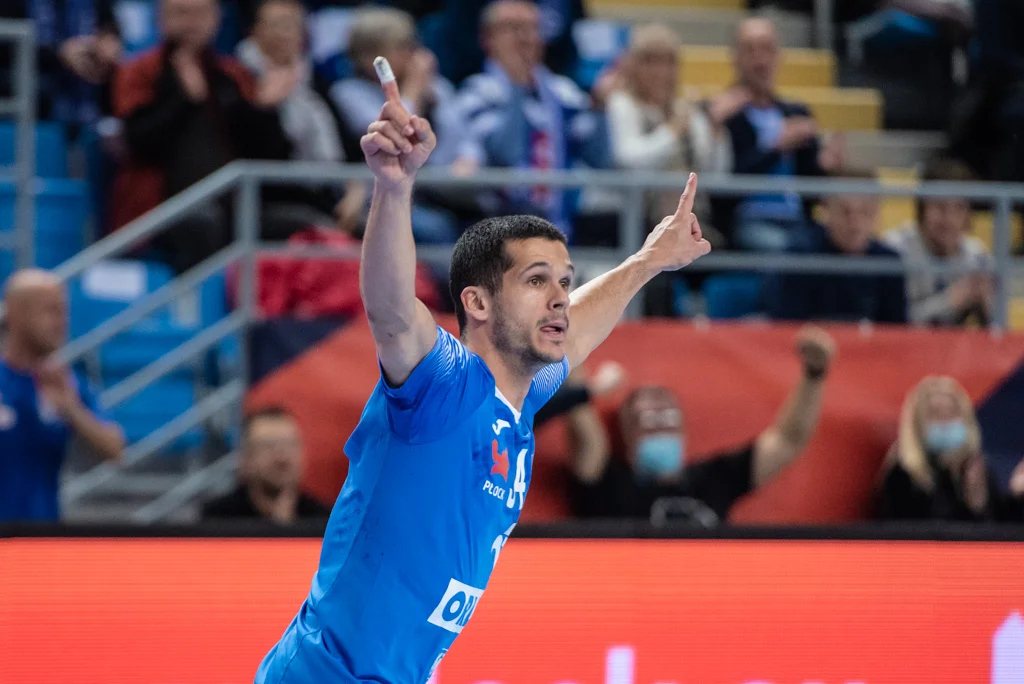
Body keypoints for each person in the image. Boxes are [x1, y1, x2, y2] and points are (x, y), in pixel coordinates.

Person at [254, 59, 710, 683]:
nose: (560, 298)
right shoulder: (446, 384)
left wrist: (649, 260)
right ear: (477, 303)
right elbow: (391, 311)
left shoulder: (521, 396)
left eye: (565, 282)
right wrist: (393, 189)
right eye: (537, 281)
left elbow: (577, 330)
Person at [567, 326, 834, 524]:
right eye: (649, 421)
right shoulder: (607, 483)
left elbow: (788, 440)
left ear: (683, 429)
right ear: (626, 433)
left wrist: (814, 375)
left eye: (668, 418)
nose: (661, 425)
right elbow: (581, 419)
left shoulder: (715, 479)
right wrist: (566, 336)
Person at [0, 270, 124, 522]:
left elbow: (115, 449)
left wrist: (72, 410)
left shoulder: (65, 383)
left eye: (63, 312)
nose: (61, 323)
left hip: (45, 533)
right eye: (50, 311)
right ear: (15, 313)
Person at [875, 376, 1024, 522]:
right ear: (917, 424)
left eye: (953, 412)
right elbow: (911, 529)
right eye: (936, 413)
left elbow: (999, 526)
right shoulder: (901, 474)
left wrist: (1016, 496)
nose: (946, 420)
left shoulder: (976, 470)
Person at [883, 158, 995, 326]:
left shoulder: (978, 257)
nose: (949, 219)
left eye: (958, 208)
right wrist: (949, 301)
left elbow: (998, 330)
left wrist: (988, 307)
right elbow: (893, 322)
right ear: (922, 208)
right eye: (940, 206)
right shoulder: (894, 250)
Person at [203, 406, 330, 523]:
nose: (282, 457)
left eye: (290, 445)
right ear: (245, 458)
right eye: (268, 446)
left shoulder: (324, 521)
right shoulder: (217, 520)